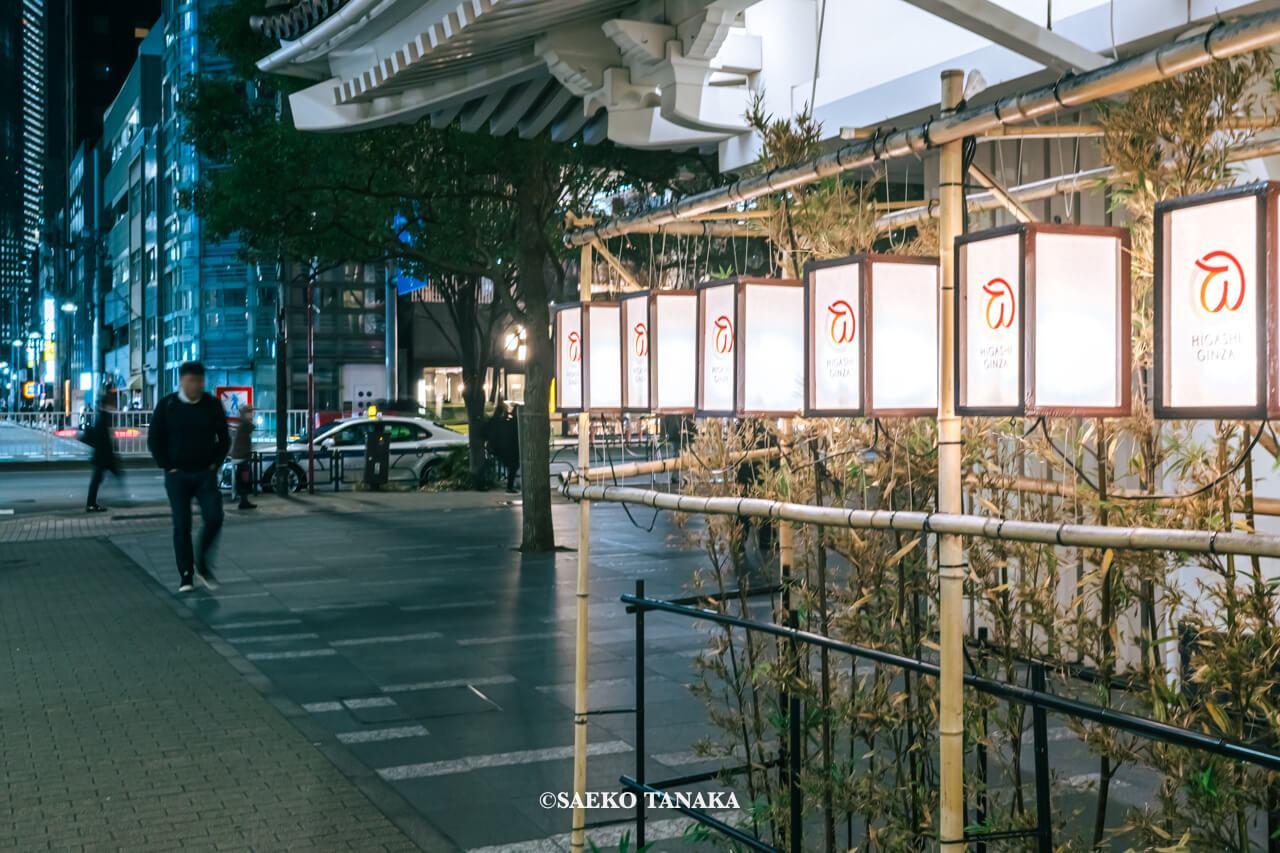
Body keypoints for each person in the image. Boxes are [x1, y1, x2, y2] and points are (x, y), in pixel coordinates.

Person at [147, 361, 230, 593]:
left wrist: (215, 463)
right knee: (181, 525)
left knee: (215, 517)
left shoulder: (211, 405)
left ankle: (202, 562)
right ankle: (186, 575)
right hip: (177, 475)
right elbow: (154, 439)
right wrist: (167, 466)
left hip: (205, 473)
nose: (197, 386)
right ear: (182, 381)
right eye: (193, 381)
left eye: (201, 381)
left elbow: (223, 438)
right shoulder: (168, 405)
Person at [85, 396, 120, 512]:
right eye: (112, 405)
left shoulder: (103, 417)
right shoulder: (104, 418)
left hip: (102, 455)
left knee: (97, 479)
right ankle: (91, 504)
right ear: (107, 406)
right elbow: (105, 439)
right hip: (102, 456)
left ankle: (91, 503)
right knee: (96, 480)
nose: (114, 407)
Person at [485, 398, 520, 493]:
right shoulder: (512, 422)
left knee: (511, 467)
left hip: (500, 448)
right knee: (513, 466)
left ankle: (510, 484)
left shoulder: (501, 421)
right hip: (507, 449)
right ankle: (510, 486)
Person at [228, 403, 257, 510]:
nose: (252, 414)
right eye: (250, 412)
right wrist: (247, 418)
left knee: (243, 478)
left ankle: (243, 500)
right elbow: (253, 427)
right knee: (245, 479)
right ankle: (243, 502)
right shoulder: (245, 423)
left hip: (240, 456)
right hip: (241, 457)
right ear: (245, 414)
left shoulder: (241, 423)